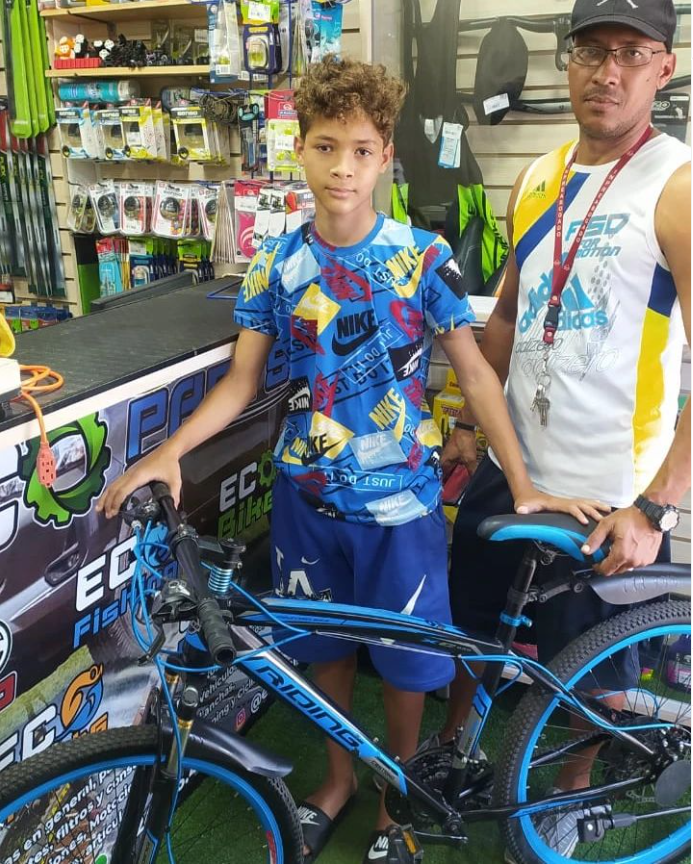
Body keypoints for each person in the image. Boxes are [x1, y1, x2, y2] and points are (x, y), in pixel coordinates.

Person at [97, 56, 606, 863]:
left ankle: (394, 802)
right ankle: (336, 781)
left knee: (405, 672)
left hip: (402, 512)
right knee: (323, 655)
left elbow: (475, 374)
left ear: (385, 156)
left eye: (362, 150)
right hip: (304, 505)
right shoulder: (275, 263)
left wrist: (522, 483)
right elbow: (241, 382)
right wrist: (169, 451)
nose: (342, 167)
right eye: (326, 146)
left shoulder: (422, 257)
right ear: (299, 149)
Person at [440, 0, 691, 857]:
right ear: (567, 60)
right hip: (516, 467)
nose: (607, 72)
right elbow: (507, 317)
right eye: (590, 51)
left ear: (662, 67)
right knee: (469, 628)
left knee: (587, 671)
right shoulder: (537, 177)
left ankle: (574, 794)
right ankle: (456, 750)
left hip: (608, 490)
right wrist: (467, 428)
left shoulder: (676, 185)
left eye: (631, 53)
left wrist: (654, 508)